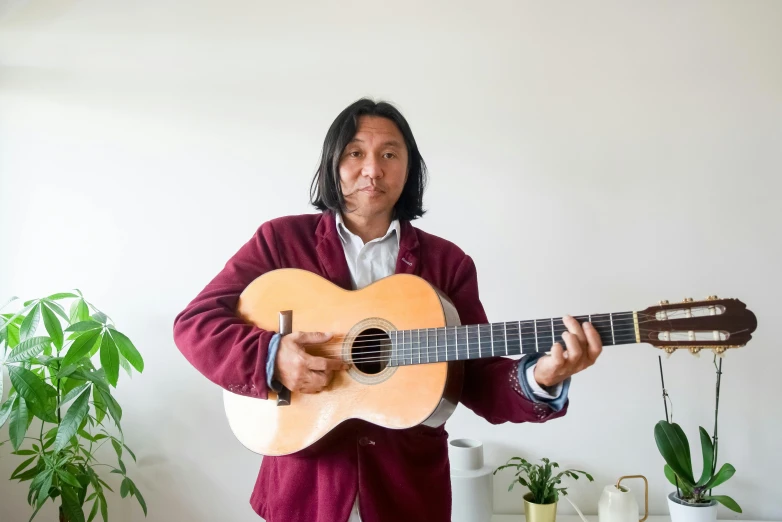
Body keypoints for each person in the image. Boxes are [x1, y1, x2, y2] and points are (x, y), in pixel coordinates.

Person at [173, 98, 603, 522]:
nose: (373, 169)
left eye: (389, 154)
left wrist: (540, 378)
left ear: (409, 168)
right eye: (356, 152)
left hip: (407, 496)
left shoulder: (448, 265)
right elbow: (195, 324)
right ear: (332, 164)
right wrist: (272, 356)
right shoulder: (280, 242)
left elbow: (479, 379)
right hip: (305, 494)